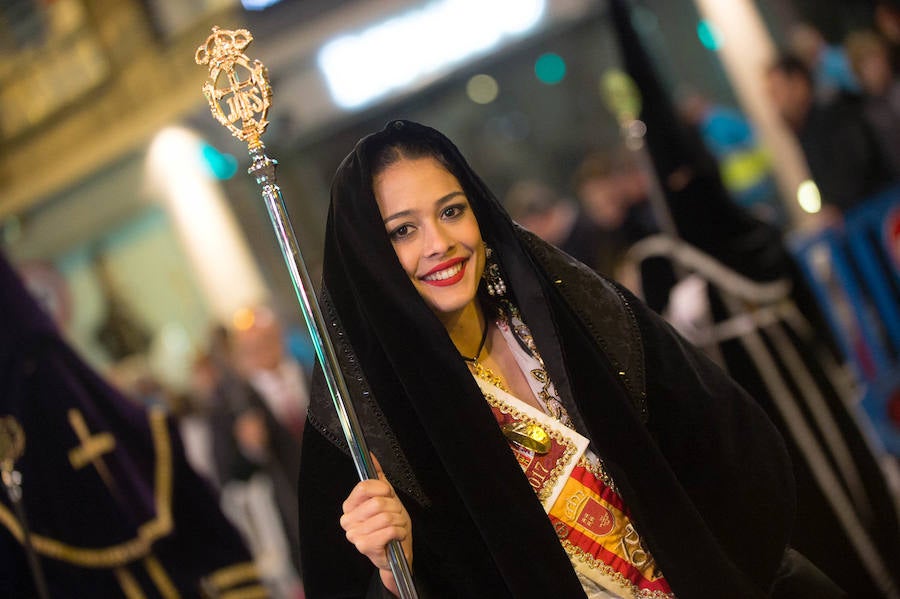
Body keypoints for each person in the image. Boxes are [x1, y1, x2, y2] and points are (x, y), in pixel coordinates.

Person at [297, 120, 843, 598]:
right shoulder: (368, 424)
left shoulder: (572, 316)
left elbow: (723, 438)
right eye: (403, 231)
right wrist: (395, 576)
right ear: (370, 257)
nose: (439, 243)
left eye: (452, 210)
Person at [765, 53, 897, 213]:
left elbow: (856, 168)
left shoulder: (834, 112)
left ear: (798, 83)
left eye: (777, 91)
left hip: (883, 209)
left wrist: (836, 206)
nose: (775, 102)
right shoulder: (803, 127)